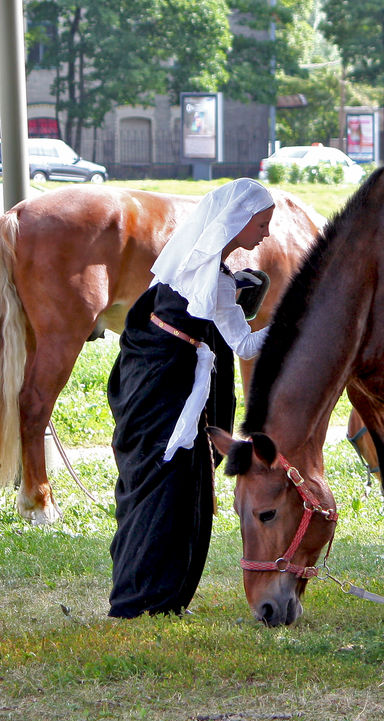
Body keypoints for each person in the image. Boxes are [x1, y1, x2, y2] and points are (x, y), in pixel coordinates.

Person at [106, 178, 275, 618]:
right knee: (163, 483)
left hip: (159, 376)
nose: (266, 234)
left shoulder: (207, 269)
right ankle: (142, 597)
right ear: (238, 221)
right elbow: (243, 345)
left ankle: (164, 596)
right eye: (262, 224)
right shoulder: (208, 274)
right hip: (161, 385)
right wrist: (293, 320)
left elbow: (226, 332)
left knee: (183, 482)